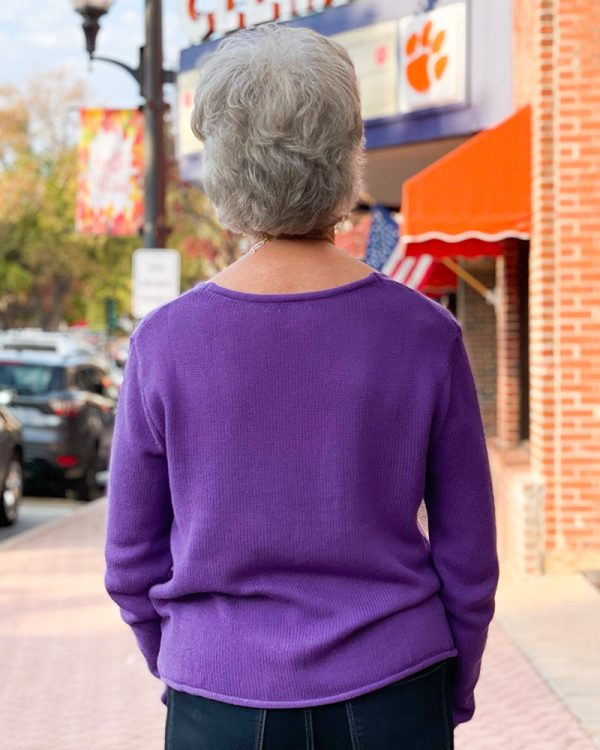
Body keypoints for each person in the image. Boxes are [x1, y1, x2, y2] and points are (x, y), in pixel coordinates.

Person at [104, 22, 499, 750]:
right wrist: (454, 688)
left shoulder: (163, 346)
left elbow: (131, 563)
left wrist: (192, 668)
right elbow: (468, 560)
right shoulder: (425, 336)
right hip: (394, 688)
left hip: (215, 698)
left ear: (221, 166)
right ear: (349, 153)